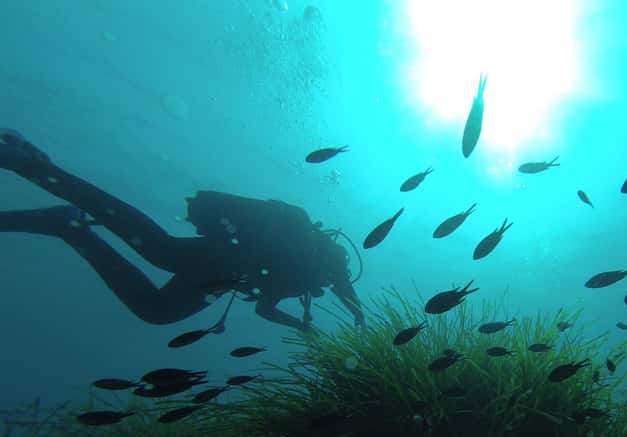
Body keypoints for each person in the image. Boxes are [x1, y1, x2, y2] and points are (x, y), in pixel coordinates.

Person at [0, 130, 364, 332]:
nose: (330, 288)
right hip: (231, 257)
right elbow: (345, 288)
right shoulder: (325, 261)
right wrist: (360, 318)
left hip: (224, 273)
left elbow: (264, 310)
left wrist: (300, 326)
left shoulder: (298, 280)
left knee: (158, 306)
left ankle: (70, 226)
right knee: (160, 253)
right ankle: (35, 169)